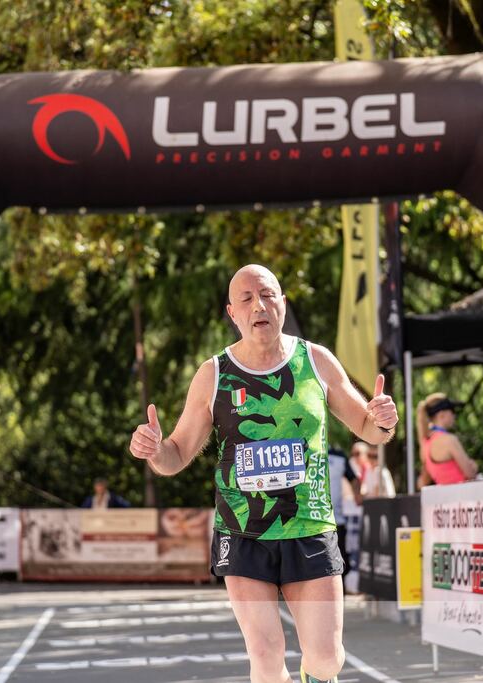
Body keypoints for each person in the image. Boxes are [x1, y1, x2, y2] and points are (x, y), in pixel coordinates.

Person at [129, 264, 398, 683]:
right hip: (243, 533)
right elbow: (176, 454)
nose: (259, 305)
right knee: (266, 655)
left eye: (268, 295)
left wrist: (383, 420)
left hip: (309, 527)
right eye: (247, 298)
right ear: (232, 313)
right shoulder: (214, 374)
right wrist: (154, 450)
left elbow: (368, 427)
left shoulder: (316, 361)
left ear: (283, 304)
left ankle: (313, 674)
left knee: (327, 659)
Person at [416, 394, 478, 487]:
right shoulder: (449, 440)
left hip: (445, 495)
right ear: (441, 415)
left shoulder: (425, 443)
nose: (454, 415)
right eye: (452, 411)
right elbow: (470, 474)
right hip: (462, 493)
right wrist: (474, 466)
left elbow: (422, 482)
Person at [327, 446, 362, 584]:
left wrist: (357, 494)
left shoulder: (339, 455)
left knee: (340, 563)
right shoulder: (304, 447)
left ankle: (342, 592)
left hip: (337, 521)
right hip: (312, 521)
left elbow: (353, 478)